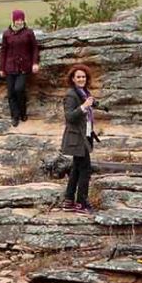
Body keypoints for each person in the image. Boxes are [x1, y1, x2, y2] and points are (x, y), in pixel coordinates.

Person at [60, 64, 99, 213]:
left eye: (83, 76)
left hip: (85, 136)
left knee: (76, 168)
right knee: (85, 169)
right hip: (77, 138)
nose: (81, 79)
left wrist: (93, 104)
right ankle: (81, 203)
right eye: (78, 77)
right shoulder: (71, 94)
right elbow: (69, 117)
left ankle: (68, 201)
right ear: (73, 79)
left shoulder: (84, 92)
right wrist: (84, 106)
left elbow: (88, 108)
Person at [0, 9, 39, 125]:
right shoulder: (7, 34)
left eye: (21, 19)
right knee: (11, 93)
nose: (19, 22)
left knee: (19, 89)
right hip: (10, 67)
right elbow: (3, 51)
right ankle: (15, 116)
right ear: (13, 20)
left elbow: (35, 48)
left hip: (24, 67)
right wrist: (2, 68)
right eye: (17, 20)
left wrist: (35, 63)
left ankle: (23, 112)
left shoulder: (28, 32)